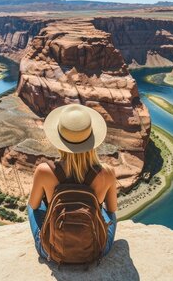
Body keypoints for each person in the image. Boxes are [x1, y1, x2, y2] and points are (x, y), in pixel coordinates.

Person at [27, 104, 118, 262]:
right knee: (107, 211)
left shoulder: (43, 171)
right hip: (97, 250)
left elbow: (33, 207)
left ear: (59, 139)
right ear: (92, 140)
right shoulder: (107, 172)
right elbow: (112, 210)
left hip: (52, 252)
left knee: (34, 206)